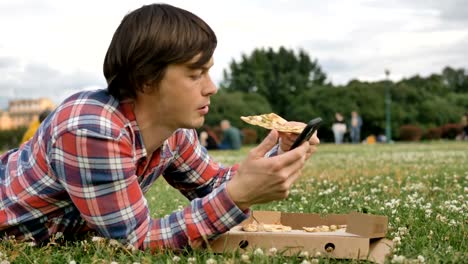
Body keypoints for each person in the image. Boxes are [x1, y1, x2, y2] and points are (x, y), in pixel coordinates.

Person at [0, 4, 319, 251]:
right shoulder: (90, 128)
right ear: (145, 79)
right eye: (196, 74)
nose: (212, 88)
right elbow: (135, 242)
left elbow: (212, 184)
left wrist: (280, 154)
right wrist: (236, 198)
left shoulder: (175, 132)